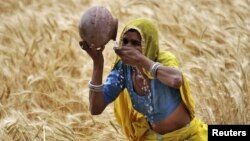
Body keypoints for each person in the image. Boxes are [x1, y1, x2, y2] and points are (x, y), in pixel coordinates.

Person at [79, 18, 208, 141]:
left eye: (136, 43)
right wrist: (98, 63)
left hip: (187, 136)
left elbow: (176, 80)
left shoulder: (163, 60)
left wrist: (140, 60)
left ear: (148, 44)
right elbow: (95, 108)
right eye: (125, 41)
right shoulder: (124, 70)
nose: (128, 47)